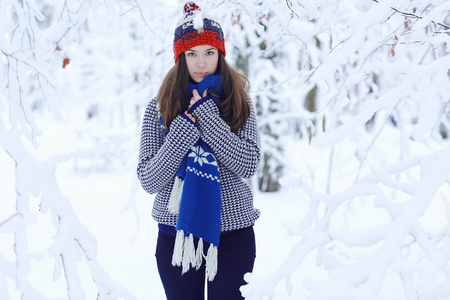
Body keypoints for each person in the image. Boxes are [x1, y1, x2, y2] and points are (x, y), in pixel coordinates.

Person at [137, 2, 261, 299]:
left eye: (209, 53)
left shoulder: (239, 102)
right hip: (176, 234)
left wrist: (208, 118)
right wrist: (181, 135)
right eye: (191, 54)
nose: (201, 63)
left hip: (233, 234)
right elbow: (148, 179)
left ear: (221, 54)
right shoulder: (160, 107)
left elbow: (249, 164)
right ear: (180, 57)